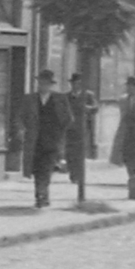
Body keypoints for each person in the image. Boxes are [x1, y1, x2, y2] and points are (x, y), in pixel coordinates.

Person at [16, 68, 74, 208]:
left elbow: (69, 118)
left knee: (47, 168)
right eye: (41, 83)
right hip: (34, 140)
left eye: (46, 83)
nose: (43, 86)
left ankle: (42, 194)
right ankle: (40, 195)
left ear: (51, 85)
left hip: (52, 140)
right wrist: (21, 129)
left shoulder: (60, 99)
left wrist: (59, 132)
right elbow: (20, 117)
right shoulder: (29, 99)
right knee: (36, 169)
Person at [109, 75, 135, 180]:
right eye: (128, 86)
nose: (129, 88)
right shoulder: (123, 99)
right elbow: (123, 115)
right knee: (127, 154)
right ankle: (131, 175)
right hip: (127, 131)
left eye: (132, 86)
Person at [64, 72, 98, 189]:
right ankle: (73, 173)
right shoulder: (67, 96)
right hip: (69, 128)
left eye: (77, 83)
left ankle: (78, 175)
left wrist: (87, 108)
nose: (75, 86)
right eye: (73, 83)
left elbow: (95, 108)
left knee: (80, 152)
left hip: (83, 128)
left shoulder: (88, 95)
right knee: (70, 153)